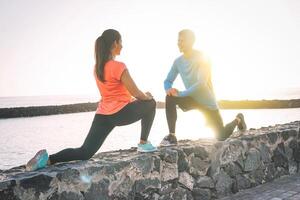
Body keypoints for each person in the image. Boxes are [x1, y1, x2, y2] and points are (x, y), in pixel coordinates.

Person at [26, 29, 157, 171]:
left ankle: (48, 159)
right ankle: (143, 143)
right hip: (120, 114)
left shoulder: (97, 68)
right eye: (121, 42)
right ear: (115, 43)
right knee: (151, 103)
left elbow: (114, 94)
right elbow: (136, 92)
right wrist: (147, 96)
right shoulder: (119, 66)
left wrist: (133, 99)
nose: (122, 45)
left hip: (103, 116)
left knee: (85, 152)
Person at [160, 29, 247, 146]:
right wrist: (168, 89)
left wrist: (180, 94)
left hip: (207, 103)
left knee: (221, 136)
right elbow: (168, 80)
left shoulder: (203, 57)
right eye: (178, 41)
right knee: (170, 97)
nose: (179, 43)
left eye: (182, 41)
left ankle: (238, 119)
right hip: (191, 99)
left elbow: (201, 83)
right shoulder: (178, 62)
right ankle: (172, 135)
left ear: (191, 41)